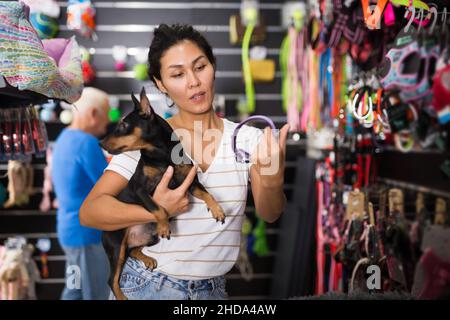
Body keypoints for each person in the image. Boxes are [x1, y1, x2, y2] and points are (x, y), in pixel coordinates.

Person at [79, 24, 289, 300]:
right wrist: (157, 211)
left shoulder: (248, 139)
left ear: (213, 66)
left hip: (212, 292)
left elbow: (270, 213)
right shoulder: (147, 141)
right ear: (160, 84)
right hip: (143, 287)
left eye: (200, 67)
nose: (193, 81)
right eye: (177, 74)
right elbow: (90, 212)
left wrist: (273, 178)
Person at [52, 87, 111, 300]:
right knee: (96, 294)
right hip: (87, 236)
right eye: (106, 116)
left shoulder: (64, 138)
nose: (106, 125)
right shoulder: (86, 142)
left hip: (70, 234)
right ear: (94, 114)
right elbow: (108, 184)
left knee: (74, 289)